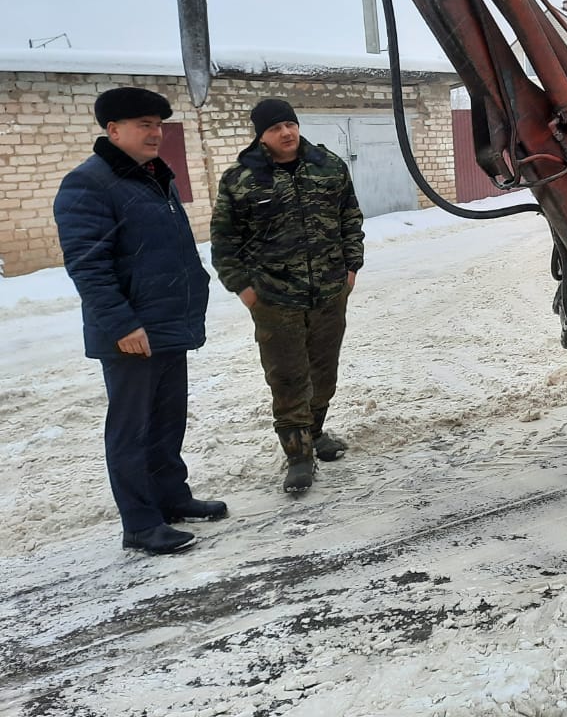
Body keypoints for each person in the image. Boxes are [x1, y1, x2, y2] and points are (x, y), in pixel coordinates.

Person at [53, 87, 226, 556]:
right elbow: (88, 265)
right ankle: (140, 522)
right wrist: (122, 326)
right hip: (132, 332)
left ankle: (172, 497)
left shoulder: (152, 176)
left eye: (157, 124)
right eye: (143, 125)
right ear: (113, 130)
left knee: (167, 420)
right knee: (133, 429)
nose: (155, 133)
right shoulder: (88, 184)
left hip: (167, 323)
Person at [210, 98, 364, 494]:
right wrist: (244, 289)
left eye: (290, 125)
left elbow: (350, 216)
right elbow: (224, 241)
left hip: (330, 291)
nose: (286, 133)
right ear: (261, 134)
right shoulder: (241, 179)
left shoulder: (328, 167)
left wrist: (351, 267)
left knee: (323, 372)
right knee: (288, 377)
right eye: (276, 128)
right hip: (275, 299)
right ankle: (298, 457)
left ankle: (314, 433)